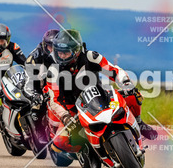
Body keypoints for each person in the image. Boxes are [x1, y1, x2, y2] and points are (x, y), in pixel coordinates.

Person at [46, 29, 157, 158]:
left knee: (132, 94)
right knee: (59, 143)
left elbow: (114, 71)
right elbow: (54, 99)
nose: (62, 56)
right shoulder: (53, 71)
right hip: (73, 110)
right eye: (59, 53)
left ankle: (138, 122)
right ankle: (86, 150)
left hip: (99, 97)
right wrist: (65, 116)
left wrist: (125, 83)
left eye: (66, 53)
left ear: (76, 50)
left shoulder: (91, 57)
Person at [25, 29, 58, 94]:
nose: (53, 50)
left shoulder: (63, 55)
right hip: (39, 87)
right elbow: (29, 79)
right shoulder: (34, 57)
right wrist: (34, 93)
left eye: (56, 47)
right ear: (45, 45)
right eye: (50, 47)